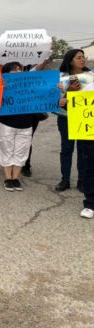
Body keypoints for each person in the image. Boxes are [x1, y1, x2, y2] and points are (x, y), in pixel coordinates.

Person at [55, 49, 93, 192]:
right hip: (65, 117)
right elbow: (53, 98)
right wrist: (68, 92)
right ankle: (65, 180)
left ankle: (82, 180)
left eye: (83, 57)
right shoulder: (61, 77)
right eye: (78, 57)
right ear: (70, 60)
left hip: (84, 118)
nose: (82, 60)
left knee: (83, 150)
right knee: (66, 149)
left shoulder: (91, 76)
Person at [0, 62, 35, 192]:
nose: (18, 71)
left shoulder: (29, 84)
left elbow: (44, 91)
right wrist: (0, 87)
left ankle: (16, 178)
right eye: (14, 70)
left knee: (22, 151)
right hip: (6, 123)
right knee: (6, 149)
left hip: (26, 123)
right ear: (6, 73)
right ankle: (8, 178)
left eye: (19, 69)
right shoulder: (0, 85)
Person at [78, 82, 94, 219]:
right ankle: (90, 204)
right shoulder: (89, 87)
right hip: (90, 137)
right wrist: (64, 103)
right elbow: (77, 107)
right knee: (91, 169)